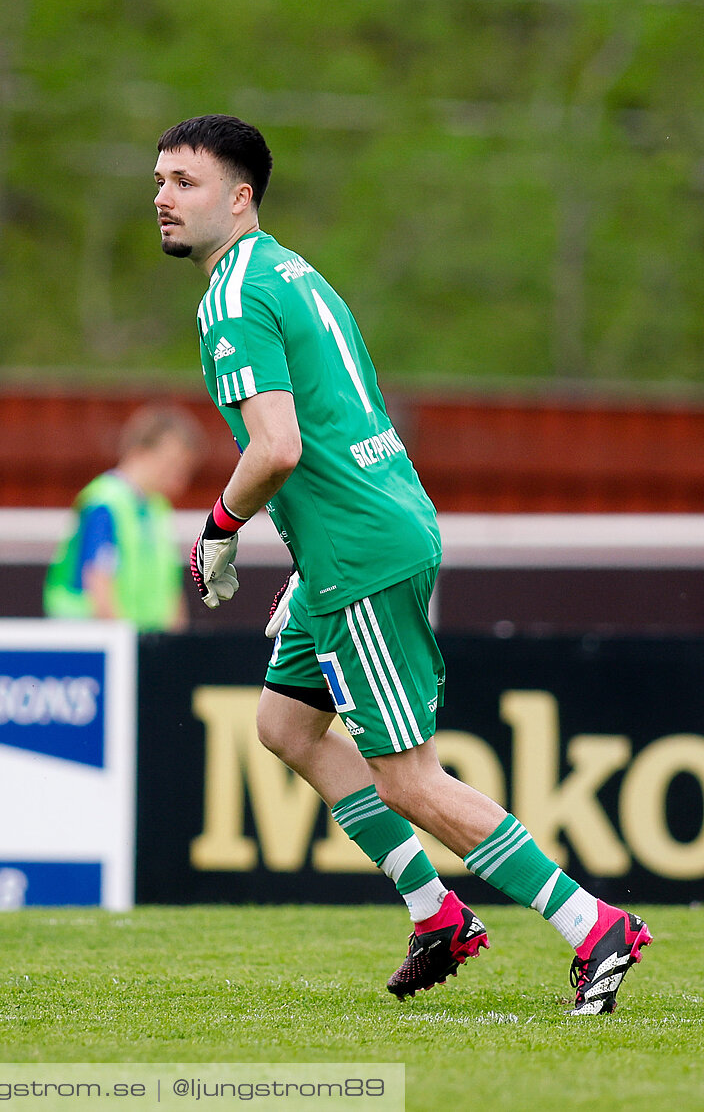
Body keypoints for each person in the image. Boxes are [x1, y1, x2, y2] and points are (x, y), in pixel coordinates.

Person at [153, 114, 651, 1014]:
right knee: (284, 726)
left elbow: (277, 447)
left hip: (362, 553)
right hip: (363, 535)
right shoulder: (294, 273)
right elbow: (355, 416)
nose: (162, 196)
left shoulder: (234, 295)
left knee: (409, 777)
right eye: (158, 180)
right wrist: (305, 565)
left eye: (185, 182)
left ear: (240, 196)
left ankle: (592, 924)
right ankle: (437, 913)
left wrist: (218, 527)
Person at [44, 406, 201, 631]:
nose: (180, 481)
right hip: (93, 645)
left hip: (142, 644)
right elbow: (98, 583)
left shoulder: (157, 508)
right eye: (173, 465)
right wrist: (124, 647)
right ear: (140, 452)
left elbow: (169, 588)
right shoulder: (105, 502)